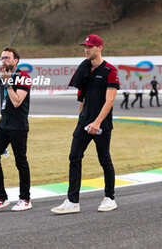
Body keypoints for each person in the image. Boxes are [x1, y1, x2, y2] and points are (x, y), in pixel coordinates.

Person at [51, 34, 120, 214]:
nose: (86, 49)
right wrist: (81, 119)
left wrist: (97, 122)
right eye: (85, 47)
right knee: (74, 157)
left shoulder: (110, 70)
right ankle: (73, 201)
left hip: (101, 125)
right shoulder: (84, 70)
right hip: (84, 123)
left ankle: (109, 197)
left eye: (90, 46)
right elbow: (81, 99)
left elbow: (110, 100)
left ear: (100, 48)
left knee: (104, 160)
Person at [0, 47, 32, 213]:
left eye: (7, 58)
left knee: (20, 161)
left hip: (18, 126)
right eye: (2, 58)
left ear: (16, 60)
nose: (4, 60)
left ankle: (25, 199)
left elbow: (17, 101)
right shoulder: (3, 78)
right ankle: (1, 197)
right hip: (3, 124)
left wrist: (8, 84)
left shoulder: (24, 78)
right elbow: (3, 103)